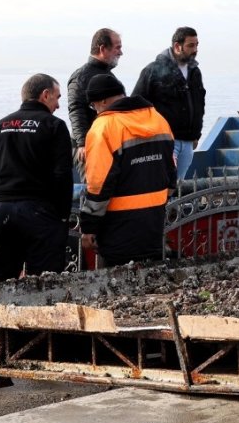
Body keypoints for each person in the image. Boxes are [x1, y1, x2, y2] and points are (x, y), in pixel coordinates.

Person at [0, 74, 74, 281]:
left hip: (2, 212)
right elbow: (62, 176)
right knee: (43, 281)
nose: (57, 105)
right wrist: (62, 215)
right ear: (45, 95)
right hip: (41, 212)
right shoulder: (54, 126)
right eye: (57, 97)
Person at [80, 73, 176, 267]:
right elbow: (171, 172)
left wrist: (89, 227)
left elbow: (99, 183)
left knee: (118, 283)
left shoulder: (104, 127)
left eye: (94, 106)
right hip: (154, 222)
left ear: (103, 101)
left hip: (118, 226)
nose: (95, 111)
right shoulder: (158, 120)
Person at [132, 27, 205, 182]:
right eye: (191, 45)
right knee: (163, 183)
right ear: (177, 46)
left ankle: (173, 207)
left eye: (197, 45)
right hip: (165, 140)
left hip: (188, 142)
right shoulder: (153, 70)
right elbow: (136, 105)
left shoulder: (195, 72)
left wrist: (196, 134)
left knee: (179, 186)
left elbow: (199, 103)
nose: (195, 50)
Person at [67, 28, 123, 177]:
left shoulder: (109, 76)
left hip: (110, 143)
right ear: (103, 49)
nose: (121, 52)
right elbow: (76, 109)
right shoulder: (81, 77)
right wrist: (82, 143)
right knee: (96, 186)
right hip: (91, 145)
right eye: (117, 47)